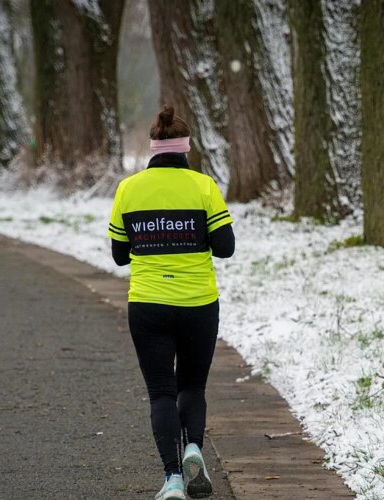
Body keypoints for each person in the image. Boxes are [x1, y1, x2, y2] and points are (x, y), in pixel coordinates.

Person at [107, 106, 235, 500]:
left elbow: (119, 255)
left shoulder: (128, 189)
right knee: (192, 387)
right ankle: (194, 446)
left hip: (148, 305)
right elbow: (225, 248)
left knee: (161, 392)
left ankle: (173, 478)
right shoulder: (203, 187)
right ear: (185, 148)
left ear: (153, 147)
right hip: (198, 304)